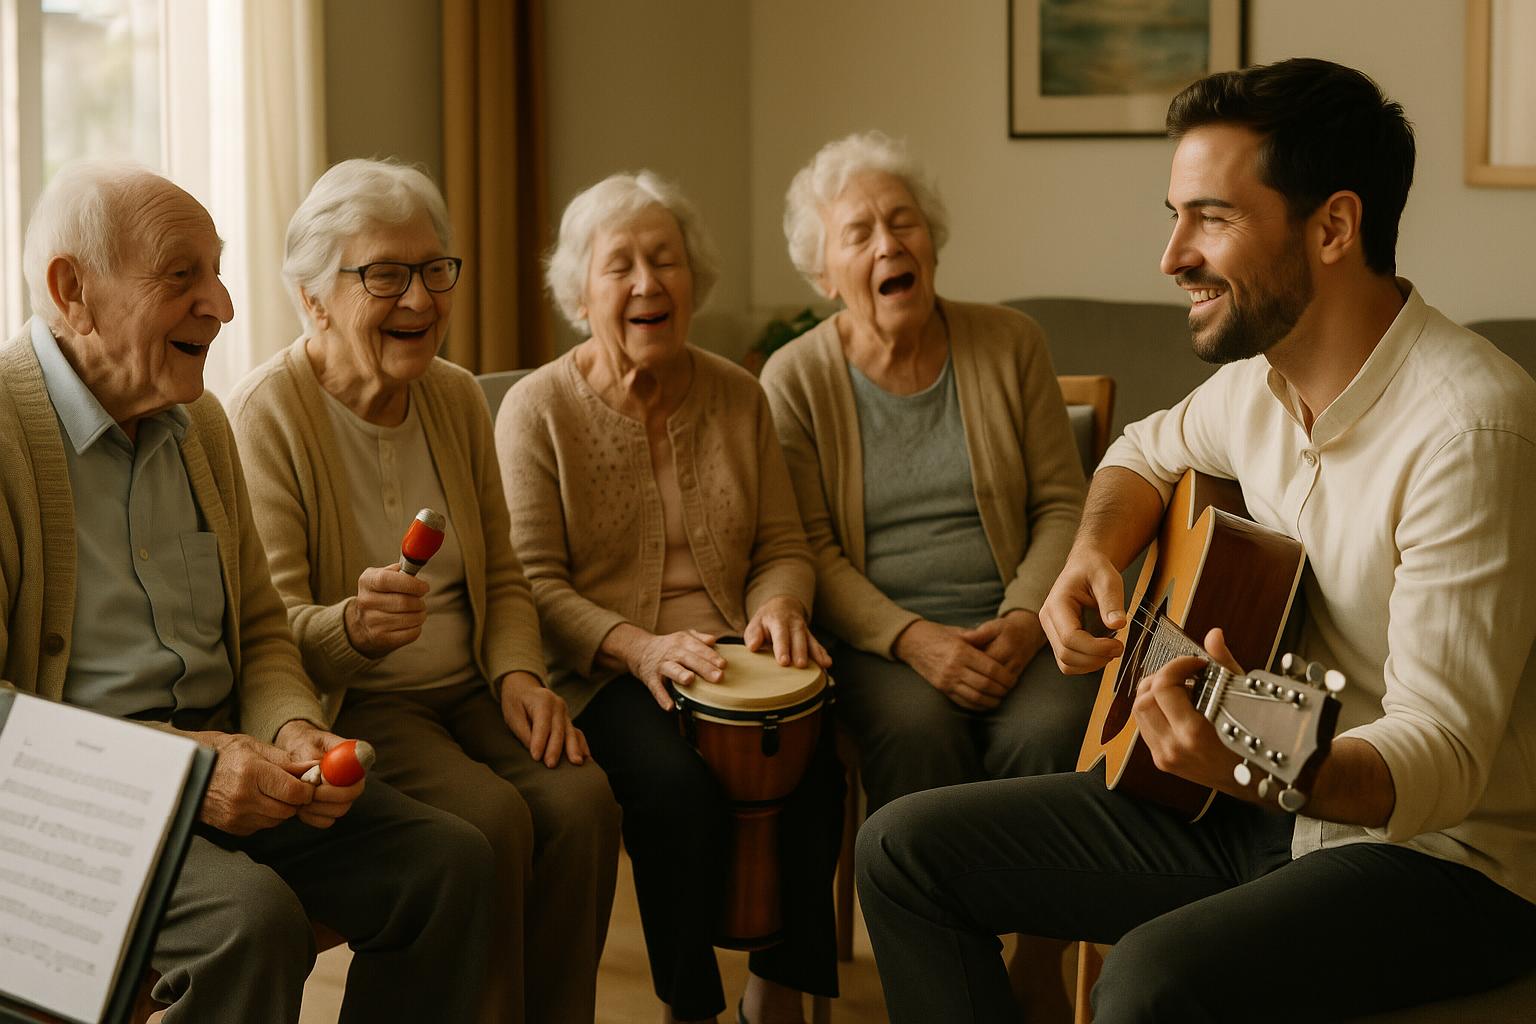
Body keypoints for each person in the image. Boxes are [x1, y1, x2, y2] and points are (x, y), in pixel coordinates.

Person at [856, 58, 1536, 1023]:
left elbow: (1446, 754)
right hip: (1256, 811)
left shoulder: (1471, 427)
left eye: (1211, 218)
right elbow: (1138, 452)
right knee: (901, 853)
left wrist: (1258, 761)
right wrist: (1092, 554)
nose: (1172, 255)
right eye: (1174, 215)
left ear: (1334, 227)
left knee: (1150, 979)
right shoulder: (1255, 385)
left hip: (1442, 864)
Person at [0, 162, 496, 1023]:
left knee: (451, 863)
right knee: (251, 923)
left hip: (228, 775)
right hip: (68, 812)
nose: (224, 306)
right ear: (71, 290)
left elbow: (263, 630)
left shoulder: (201, 427)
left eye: (218, 272)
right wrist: (188, 766)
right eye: (181, 275)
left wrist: (290, 728)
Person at [226, 158, 621, 1024]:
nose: (421, 299)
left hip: (473, 683)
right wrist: (354, 629)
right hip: (359, 701)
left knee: (583, 802)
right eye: (385, 275)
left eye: (435, 269)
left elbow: (506, 578)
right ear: (314, 297)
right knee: (491, 820)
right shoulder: (265, 416)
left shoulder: (454, 396)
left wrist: (520, 675)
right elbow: (269, 629)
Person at [496, 171, 842, 1024]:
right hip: (608, 668)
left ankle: (778, 988)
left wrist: (779, 608)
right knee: (671, 791)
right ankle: (693, 1007)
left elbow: (782, 546)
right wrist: (640, 647)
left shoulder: (739, 394)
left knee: (819, 768)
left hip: (734, 655)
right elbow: (533, 583)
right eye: (622, 266)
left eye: (667, 261)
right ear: (581, 293)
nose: (649, 282)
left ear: (695, 280)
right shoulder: (535, 410)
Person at [760, 131, 1090, 815]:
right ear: (825, 276)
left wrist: (1026, 619)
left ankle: (1040, 918)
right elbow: (808, 548)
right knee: (918, 733)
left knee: (1049, 732)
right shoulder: (794, 378)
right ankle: (931, 921)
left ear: (932, 241)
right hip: (880, 645)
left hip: (1016, 626)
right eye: (859, 233)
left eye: (902, 220)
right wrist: (912, 639)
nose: (889, 244)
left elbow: (1063, 504)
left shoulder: (1012, 342)